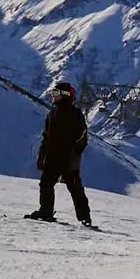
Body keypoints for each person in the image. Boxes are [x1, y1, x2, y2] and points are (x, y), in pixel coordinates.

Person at [25, 81, 93, 227]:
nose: (53, 97)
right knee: (46, 184)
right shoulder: (52, 113)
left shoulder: (75, 114)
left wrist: (75, 154)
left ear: (65, 95)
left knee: (74, 187)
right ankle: (46, 211)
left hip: (68, 158)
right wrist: (42, 154)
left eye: (55, 94)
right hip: (52, 157)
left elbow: (83, 137)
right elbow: (46, 136)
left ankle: (84, 217)